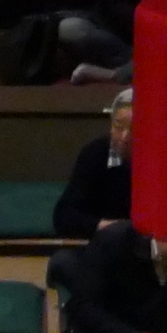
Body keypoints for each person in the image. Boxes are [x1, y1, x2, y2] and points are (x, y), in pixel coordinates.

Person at [53, 88, 134, 238]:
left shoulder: (164, 160)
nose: (125, 136)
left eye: (134, 129)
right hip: (101, 241)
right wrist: (107, 227)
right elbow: (64, 216)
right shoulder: (95, 153)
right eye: (118, 127)